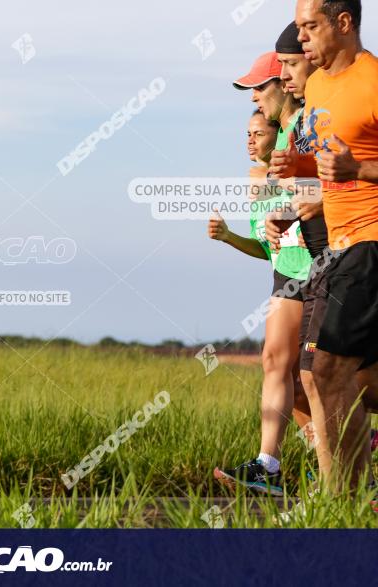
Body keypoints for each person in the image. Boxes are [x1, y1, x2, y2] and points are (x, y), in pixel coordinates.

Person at [270, 0, 378, 492]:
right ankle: (352, 505)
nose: (303, 38)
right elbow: (326, 162)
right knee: (353, 383)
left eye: (310, 27)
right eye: (299, 28)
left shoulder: (373, 81)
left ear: (344, 23)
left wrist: (360, 171)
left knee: (321, 372)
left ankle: (337, 505)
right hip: (335, 250)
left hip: (370, 243)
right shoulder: (315, 85)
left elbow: (354, 165)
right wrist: (298, 170)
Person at [208, 106, 310, 495]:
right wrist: (229, 237)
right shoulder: (260, 183)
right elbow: (268, 247)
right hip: (286, 276)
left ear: (278, 136)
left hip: (317, 271)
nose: (249, 141)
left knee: (316, 378)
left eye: (258, 133)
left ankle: (349, 456)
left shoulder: (295, 166)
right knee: (280, 368)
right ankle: (272, 465)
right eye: (247, 134)